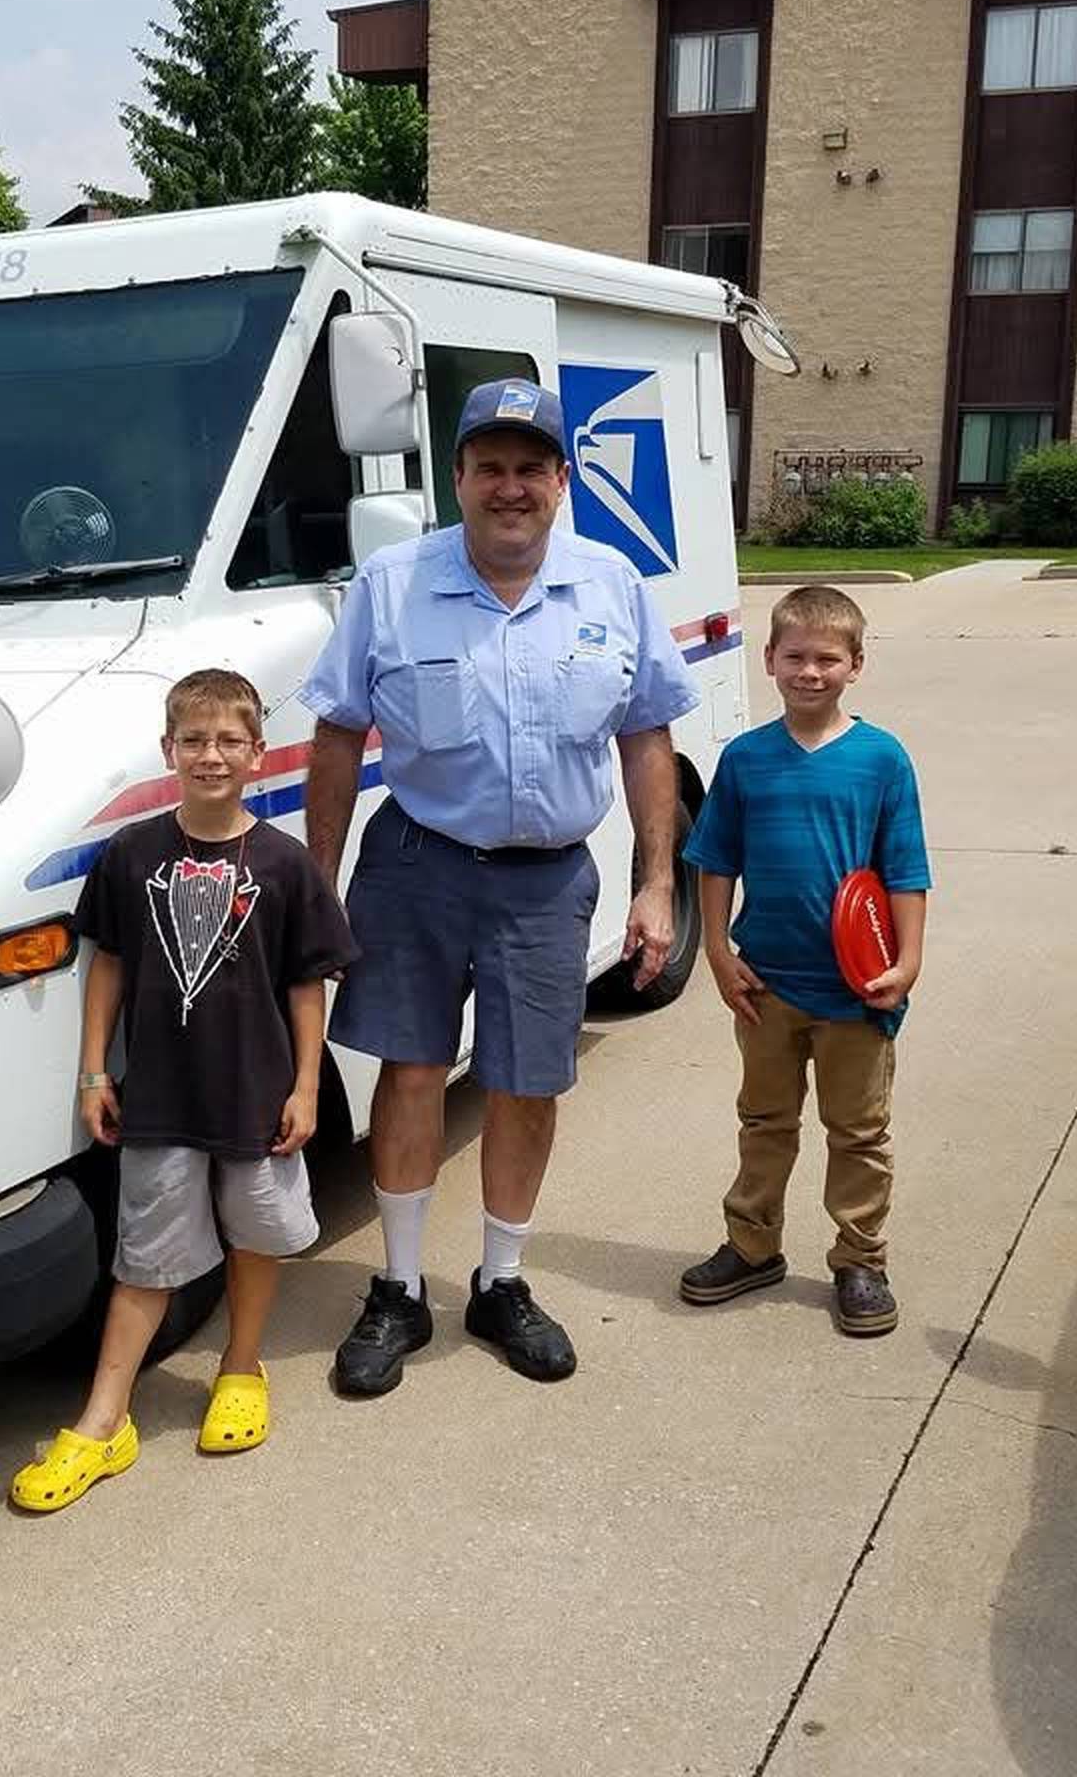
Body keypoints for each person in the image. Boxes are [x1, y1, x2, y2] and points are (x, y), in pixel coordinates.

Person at [300, 378, 698, 1394]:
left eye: (530, 467)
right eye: (489, 467)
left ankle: (502, 1282)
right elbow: (340, 732)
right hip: (418, 865)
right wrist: (319, 880)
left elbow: (647, 733)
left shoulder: (612, 584)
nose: (509, 487)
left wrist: (658, 882)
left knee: (528, 1082)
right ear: (461, 478)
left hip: (547, 881)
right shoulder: (392, 583)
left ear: (563, 480)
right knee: (415, 1070)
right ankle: (396, 1287)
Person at [10, 668, 358, 1512]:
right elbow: (110, 969)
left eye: (228, 741)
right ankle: (104, 1420)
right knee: (146, 1257)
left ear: (257, 753)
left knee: (255, 1235)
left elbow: (306, 986)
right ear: (169, 750)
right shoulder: (132, 854)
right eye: (193, 741)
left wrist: (307, 1087)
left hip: (255, 1093)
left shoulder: (284, 864)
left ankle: (242, 1367)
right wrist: (95, 1070)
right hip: (160, 1099)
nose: (211, 755)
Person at [678, 585, 930, 1336]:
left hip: (856, 991)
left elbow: (907, 870)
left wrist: (907, 964)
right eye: (796, 657)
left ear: (857, 665)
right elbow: (715, 860)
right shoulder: (747, 759)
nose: (810, 672)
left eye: (828, 658)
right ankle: (752, 1246)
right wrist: (719, 952)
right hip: (767, 985)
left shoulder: (882, 761)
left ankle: (860, 1261)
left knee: (857, 1131)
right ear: (769, 662)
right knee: (764, 1119)